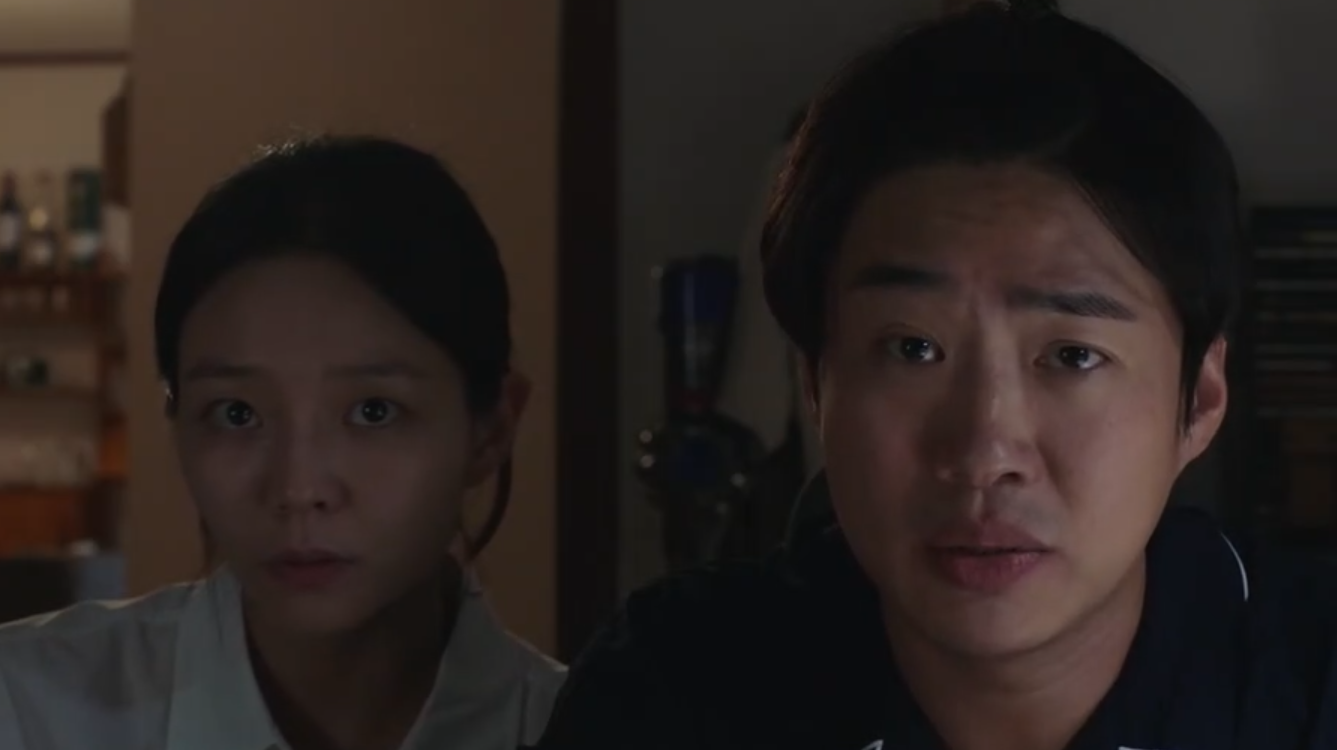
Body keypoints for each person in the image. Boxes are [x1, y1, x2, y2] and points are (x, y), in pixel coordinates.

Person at [535, 5, 1337, 750]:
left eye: (1072, 356)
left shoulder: (1311, 688)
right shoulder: (667, 695)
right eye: (912, 349)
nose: (984, 451)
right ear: (815, 382)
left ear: (1199, 400)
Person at [0, 136, 565, 749]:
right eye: (237, 413)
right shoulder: (29, 710)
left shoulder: (581, 729)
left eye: (373, 411)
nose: (298, 488)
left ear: (491, 429)